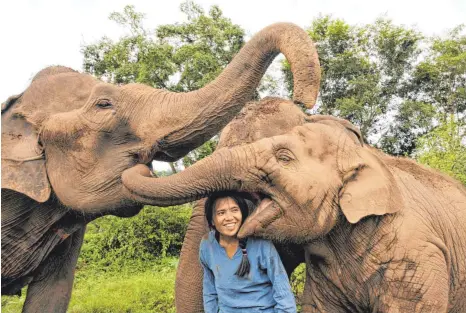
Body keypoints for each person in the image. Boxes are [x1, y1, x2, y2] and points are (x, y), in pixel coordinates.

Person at [199, 191, 297, 313]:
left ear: (243, 214)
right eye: (221, 213)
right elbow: (209, 291)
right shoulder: (207, 245)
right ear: (212, 220)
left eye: (234, 210)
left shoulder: (261, 244)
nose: (229, 218)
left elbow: (283, 292)